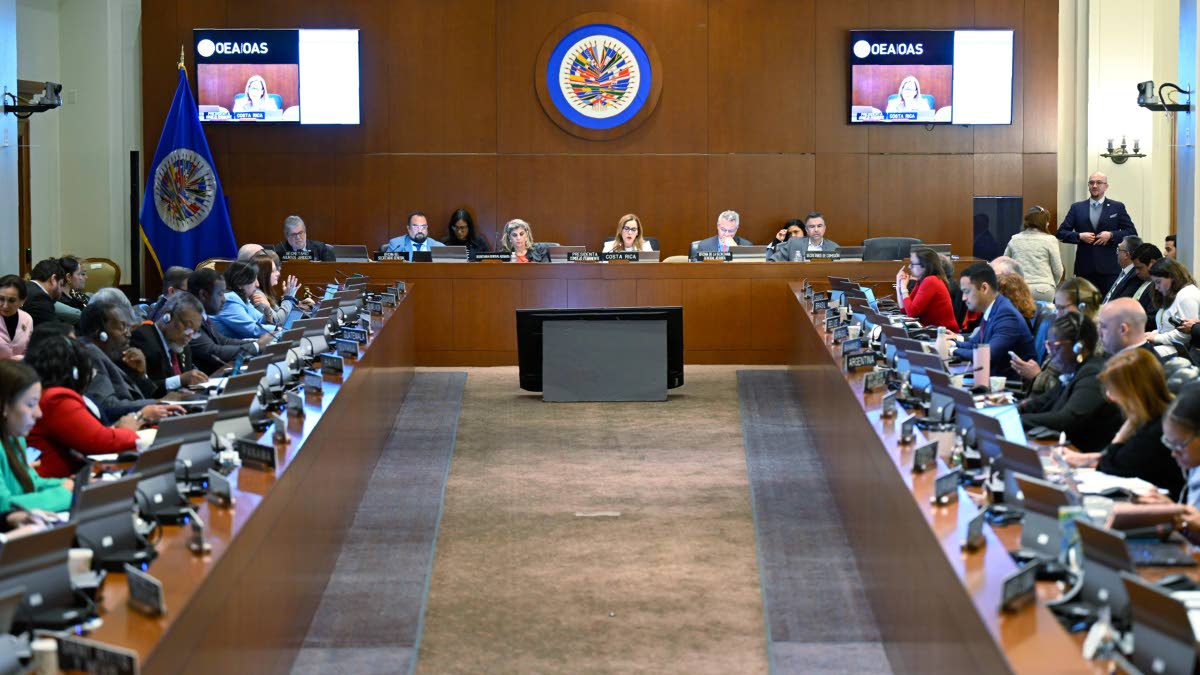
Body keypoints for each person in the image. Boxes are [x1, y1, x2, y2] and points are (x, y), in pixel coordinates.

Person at [1054, 349, 1183, 499]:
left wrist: (1124, 430)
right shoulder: (1162, 413)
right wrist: (1084, 458)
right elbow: (1120, 457)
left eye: (1114, 391)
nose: (1110, 397)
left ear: (1132, 392)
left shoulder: (1159, 429)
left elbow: (1110, 466)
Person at [24, 333, 141, 478]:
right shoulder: (56, 399)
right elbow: (100, 442)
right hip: (54, 487)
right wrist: (127, 430)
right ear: (75, 371)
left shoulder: (48, 394)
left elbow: (88, 436)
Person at [1018, 313, 1124, 453]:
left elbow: (1066, 419)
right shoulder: (1076, 370)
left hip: (1087, 457)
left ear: (1078, 347)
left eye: (1055, 347)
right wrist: (1009, 411)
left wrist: (1015, 421)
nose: (1051, 354)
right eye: (1048, 346)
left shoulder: (1094, 375)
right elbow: (1044, 400)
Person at [77, 298, 183, 424]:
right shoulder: (90, 354)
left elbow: (135, 396)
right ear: (100, 332)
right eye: (123, 327)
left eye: (128, 328)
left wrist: (141, 375)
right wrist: (161, 402)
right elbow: (108, 405)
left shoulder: (111, 355)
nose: (129, 334)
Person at [0, 360, 73, 512]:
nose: (39, 413)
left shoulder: (16, 437)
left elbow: (32, 482)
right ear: (5, 406)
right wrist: (65, 493)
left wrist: (71, 483)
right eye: (31, 404)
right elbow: (4, 506)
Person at [1011, 277, 1102, 396]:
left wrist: (1036, 376)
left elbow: (1070, 392)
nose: (1057, 314)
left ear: (1082, 307)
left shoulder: (1092, 341)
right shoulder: (1069, 331)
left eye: (1062, 308)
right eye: (1056, 308)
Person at [949, 262, 1036, 379]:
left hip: (1006, 387)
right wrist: (951, 343)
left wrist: (951, 351)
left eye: (967, 292)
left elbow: (987, 354)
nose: (963, 298)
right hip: (989, 377)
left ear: (984, 288)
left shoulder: (1007, 315)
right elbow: (975, 344)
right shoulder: (994, 308)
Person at [1056, 172, 1138, 296]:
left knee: (1109, 307)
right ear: (1088, 185)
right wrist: (1079, 236)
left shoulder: (1117, 207)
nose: (1094, 185)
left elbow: (1132, 232)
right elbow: (1061, 233)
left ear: (1106, 186)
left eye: (1099, 183)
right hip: (1085, 268)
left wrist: (1111, 235)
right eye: (1091, 182)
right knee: (1084, 306)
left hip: (1109, 268)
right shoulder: (1077, 208)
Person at [187, 268, 271, 373]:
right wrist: (257, 346)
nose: (224, 299)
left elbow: (223, 341)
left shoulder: (203, 315)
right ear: (203, 294)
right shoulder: (189, 320)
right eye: (220, 294)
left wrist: (257, 342)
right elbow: (214, 352)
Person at [129, 292, 208, 398]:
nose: (190, 335)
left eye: (195, 331)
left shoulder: (183, 346)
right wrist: (180, 380)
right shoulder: (143, 338)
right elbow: (143, 389)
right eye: (188, 326)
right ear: (168, 316)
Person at [1002, 206, 1064, 302]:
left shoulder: (1015, 239)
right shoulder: (1050, 240)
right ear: (1045, 223)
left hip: (1020, 288)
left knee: (1021, 317)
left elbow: (1004, 264)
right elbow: (1058, 270)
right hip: (1044, 289)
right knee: (1044, 317)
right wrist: (1051, 283)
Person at [895, 247, 957, 330]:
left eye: (912, 264)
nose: (909, 267)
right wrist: (899, 285)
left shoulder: (931, 281)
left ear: (924, 266)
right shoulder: (922, 280)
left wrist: (903, 288)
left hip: (945, 334)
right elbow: (905, 310)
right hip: (930, 331)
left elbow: (911, 313)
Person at [1146, 258, 1200, 350]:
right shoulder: (1172, 293)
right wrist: (1154, 333)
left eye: (1158, 282)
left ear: (1172, 277)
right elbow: (1166, 328)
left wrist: (1156, 337)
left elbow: (1185, 336)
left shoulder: (1187, 295)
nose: (1156, 287)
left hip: (1181, 350)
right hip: (1169, 346)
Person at [214, 261, 275, 338]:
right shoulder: (229, 300)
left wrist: (267, 310)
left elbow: (259, 320)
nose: (257, 284)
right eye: (253, 280)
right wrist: (279, 330)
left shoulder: (242, 298)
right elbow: (252, 330)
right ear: (240, 283)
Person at [250, 250, 310, 326]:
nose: (278, 273)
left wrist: (290, 299)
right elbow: (278, 322)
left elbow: (279, 313)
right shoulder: (257, 295)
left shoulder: (264, 292)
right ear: (263, 274)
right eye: (274, 271)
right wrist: (288, 298)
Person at [768, 212, 839, 262]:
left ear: (824, 228)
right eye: (812, 226)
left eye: (819, 226)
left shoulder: (834, 248)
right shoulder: (793, 243)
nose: (816, 230)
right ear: (806, 230)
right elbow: (772, 262)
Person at [24, 258, 67, 326]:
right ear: (53, 279)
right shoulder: (39, 298)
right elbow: (56, 332)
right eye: (61, 285)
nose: (61, 291)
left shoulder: (26, 287)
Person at [1102, 236, 1144, 304]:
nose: (1117, 253)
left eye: (1119, 249)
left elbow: (1121, 302)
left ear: (1126, 255)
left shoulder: (1135, 276)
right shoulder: (1124, 272)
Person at [0, 275, 32, 360]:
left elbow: (29, 351)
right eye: (1, 299)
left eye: (11, 300)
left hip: (20, 371)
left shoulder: (27, 319)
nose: (5, 305)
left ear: (23, 301)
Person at [1132, 243, 1164, 329]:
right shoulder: (1140, 281)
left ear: (1152, 263)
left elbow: (1152, 319)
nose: (1137, 272)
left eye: (1140, 268)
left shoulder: (1160, 287)